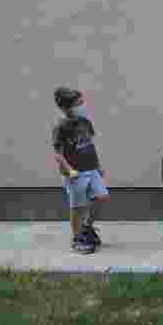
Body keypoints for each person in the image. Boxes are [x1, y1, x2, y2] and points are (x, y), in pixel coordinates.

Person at [52, 87, 109, 254]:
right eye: (79, 104)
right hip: (75, 173)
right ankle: (77, 239)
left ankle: (86, 228)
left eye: (82, 102)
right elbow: (57, 154)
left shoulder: (85, 122)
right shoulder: (61, 126)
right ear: (66, 107)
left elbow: (90, 145)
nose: (83, 106)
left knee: (102, 196)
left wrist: (98, 166)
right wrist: (69, 170)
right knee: (77, 207)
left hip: (91, 168)